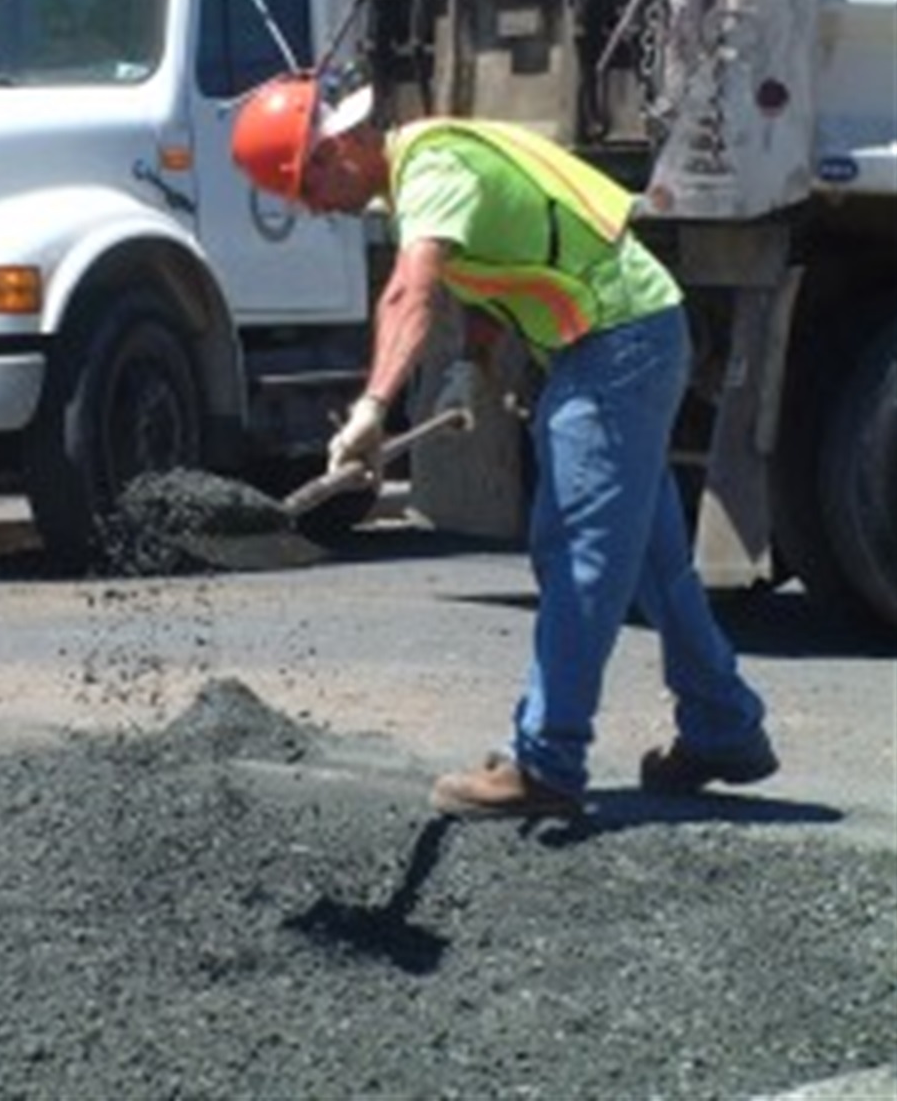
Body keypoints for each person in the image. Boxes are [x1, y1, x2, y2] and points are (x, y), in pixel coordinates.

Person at [230, 72, 779, 821]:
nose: (314, 207)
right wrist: (471, 368)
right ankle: (724, 729)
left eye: (308, 186)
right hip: (625, 337)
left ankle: (548, 762)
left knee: (574, 551)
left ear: (338, 148)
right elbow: (498, 272)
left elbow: (409, 294)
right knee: (649, 560)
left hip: (615, 343)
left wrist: (371, 409)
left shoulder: (434, 168)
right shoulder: (423, 178)